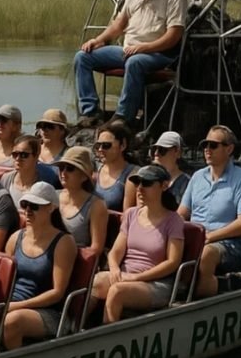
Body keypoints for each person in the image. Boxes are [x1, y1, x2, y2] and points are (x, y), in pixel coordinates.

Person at [74, 0, 186, 127]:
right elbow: (118, 25)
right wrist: (99, 40)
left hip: (158, 54)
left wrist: (143, 48)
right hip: (128, 50)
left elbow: (173, 36)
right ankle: (90, 112)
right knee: (82, 57)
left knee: (135, 62)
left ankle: (123, 117)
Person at [91, 163, 185, 323]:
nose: (140, 188)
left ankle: (107, 341)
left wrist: (137, 278)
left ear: (163, 186)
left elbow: (172, 262)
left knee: (117, 291)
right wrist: (114, 269)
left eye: (147, 183)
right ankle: (73, 331)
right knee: (95, 281)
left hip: (155, 284)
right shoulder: (131, 214)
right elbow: (115, 252)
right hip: (125, 276)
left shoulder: (174, 220)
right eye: (137, 183)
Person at [179, 124, 241, 298]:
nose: (207, 150)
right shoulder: (197, 177)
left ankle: (199, 302)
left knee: (207, 254)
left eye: (213, 145)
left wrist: (209, 237)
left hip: (229, 244)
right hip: (197, 236)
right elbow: (182, 212)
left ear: (229, 149)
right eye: (205, 145)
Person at [2, 182, 77, 349]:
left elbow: (57, 293)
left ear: (51, 208)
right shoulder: (15, 238)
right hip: (12, 304)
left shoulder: (63, 243)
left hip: (48, 312)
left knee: (12, 321)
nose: (28, 210)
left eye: (34, 206)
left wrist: (15, 306)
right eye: (25, 205)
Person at [55, 145, 109, 255]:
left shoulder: (96, 205)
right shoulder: (53, 196)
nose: (63, 173)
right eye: (61, 167)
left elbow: (96, 248)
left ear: (84, 176)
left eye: (70, 168)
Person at [126, 129, 188, 210]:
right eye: (154, 149)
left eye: (162, 150)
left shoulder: (187, 183)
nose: (156, 153)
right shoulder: (144, 176)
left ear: (177, 151)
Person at [0, 136, 61, 206]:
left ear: (36, 156)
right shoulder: (5, 180)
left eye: (24, 155)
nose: (18, 158)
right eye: (15, 154)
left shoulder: (46, 183)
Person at [92, 121, 135, 212]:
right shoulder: (95, 171)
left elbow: (128, 216)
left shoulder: (131, 174)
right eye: (98, 145)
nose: (100, 149)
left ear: (122, 145)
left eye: (106, 145)